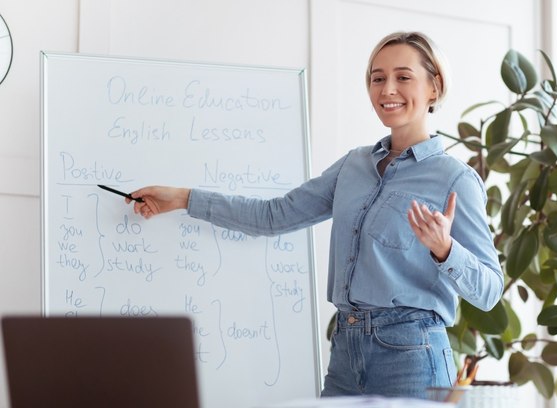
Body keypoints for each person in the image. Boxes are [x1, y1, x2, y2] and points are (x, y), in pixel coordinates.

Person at [127, 31, 503, 399]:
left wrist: (444, 249)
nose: (387, 89)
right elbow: (274, 216)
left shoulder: (454, 178)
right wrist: (182, 198)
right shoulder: (353, 166)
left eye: (403, 77)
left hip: (412, 355)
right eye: (377, 78)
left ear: (434, 87)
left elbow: (488, 291)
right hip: (345, 352)